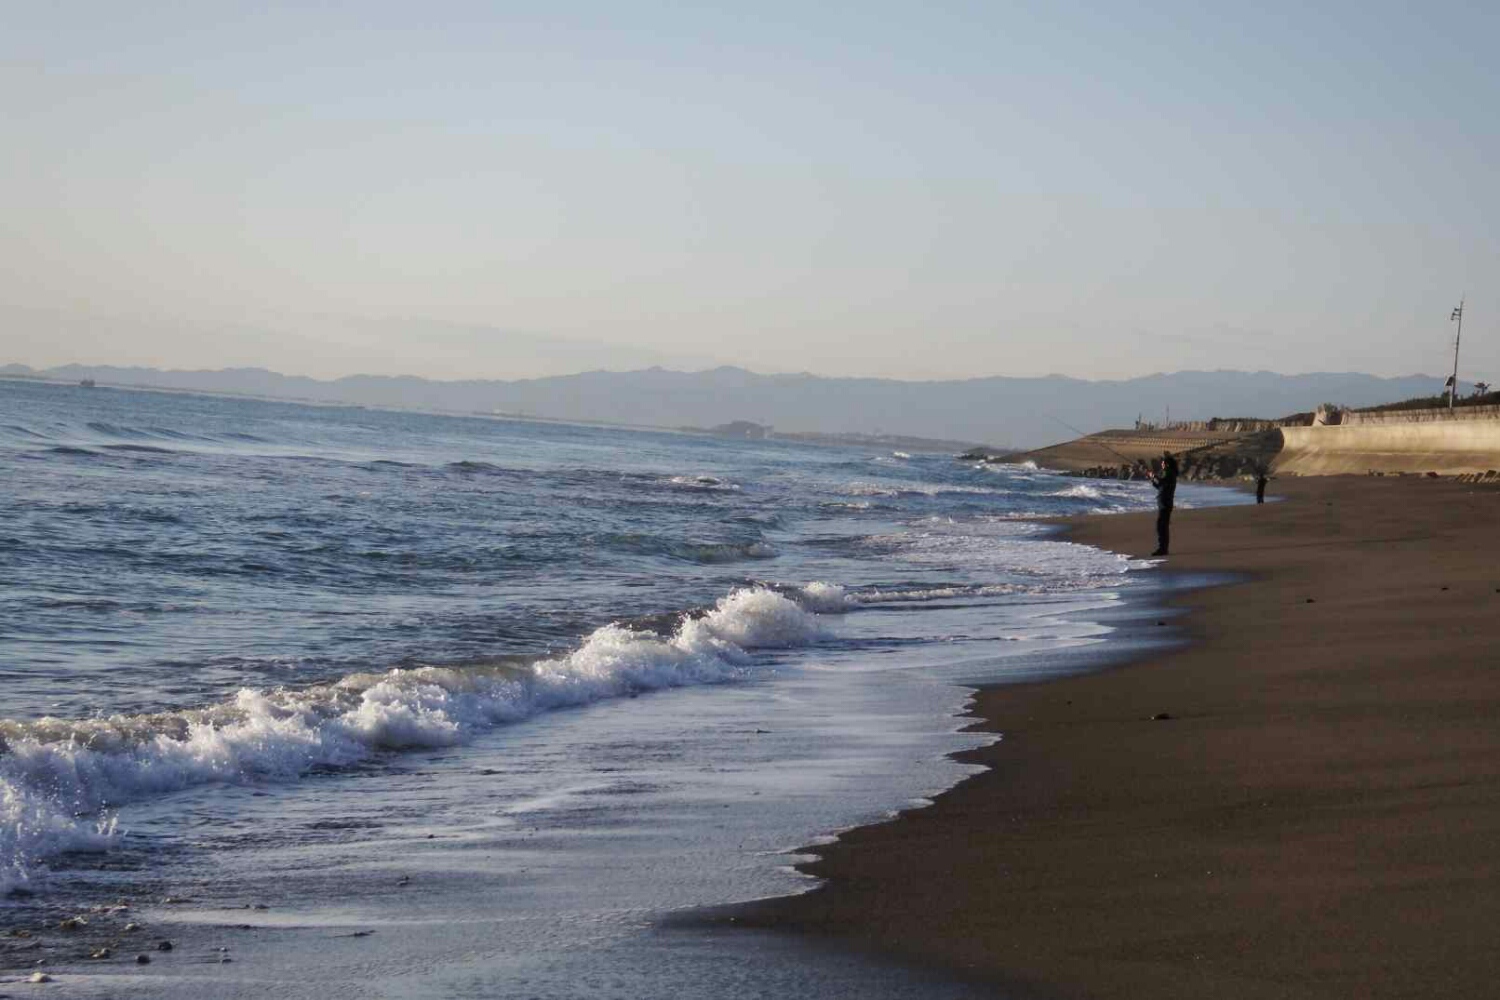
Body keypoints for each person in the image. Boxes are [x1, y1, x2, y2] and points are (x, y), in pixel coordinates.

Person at [1149, 451, 1178, 556]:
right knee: (1162, 526)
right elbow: (1160, 487)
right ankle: (1163, 548)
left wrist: (1153, 476)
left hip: (1165, 503)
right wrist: (1152, 479)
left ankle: (1163, 549)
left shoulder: (1169, 473)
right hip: (1164, 503)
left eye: (1163, 463)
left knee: (1161, 527)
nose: (1161, 465)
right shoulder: (1170, 474)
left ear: (1167, 464)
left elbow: (1161, 482)